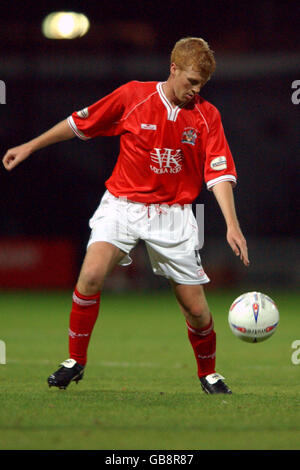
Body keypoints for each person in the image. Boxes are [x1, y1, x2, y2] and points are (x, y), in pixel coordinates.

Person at [2, 37, 249, 394]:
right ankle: (75, 361)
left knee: (196, 311)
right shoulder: (134, 96)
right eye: (191, 82)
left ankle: (208, 374)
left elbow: (218, 173)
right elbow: (78, 124)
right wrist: (30, 145)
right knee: (89, 276)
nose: (194, 91)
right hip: (123, 205)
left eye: (202, 86)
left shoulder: (207, 115)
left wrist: (232, 225)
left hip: (173, 215)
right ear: (173, 68)